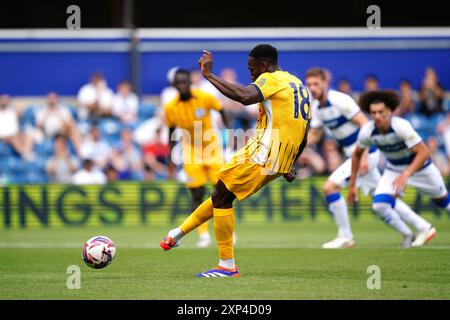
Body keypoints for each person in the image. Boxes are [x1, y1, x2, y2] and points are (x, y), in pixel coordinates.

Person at [160, 44, 310, 277]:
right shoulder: (298, 84)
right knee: (221, 193)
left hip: (264, 152)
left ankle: (226, 265)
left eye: (252, 69)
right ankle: (177, 234)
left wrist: (209, 75)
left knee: (221, 197)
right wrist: (291, 161)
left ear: (264, 65)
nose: (251, 74)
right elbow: (304, 128)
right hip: (277, 154)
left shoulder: (271, 78)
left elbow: (244, 97)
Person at [305, 67, 425, 249]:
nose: (312, 88)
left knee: (330, 187)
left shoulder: (339, 100)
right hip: (353, 155)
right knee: (382, 197)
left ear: (325, 83)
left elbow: (364, 123)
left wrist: (364, 157)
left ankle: (345, 236)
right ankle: (418, 229)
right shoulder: (316, 107)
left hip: (365, 153)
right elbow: (315, 134)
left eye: (316, 84)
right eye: (310, 84)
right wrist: (297, 148)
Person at [349, 90, 441, 248]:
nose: (377, 116)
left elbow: (424, 152)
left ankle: (424, 228)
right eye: (373, 113)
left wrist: (406, 174)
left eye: (381, 112)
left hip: (420, 167)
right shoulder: (368, 131)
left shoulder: (401, 126)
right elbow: (357, 154)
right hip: (394, 169)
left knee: (444, 201)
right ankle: (414, 232)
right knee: (379, 205)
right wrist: (352, 185)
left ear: (390, 111)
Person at [163, 68, 228, 248]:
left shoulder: (204, 97)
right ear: (175, 86)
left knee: (222, 193)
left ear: (190, 83)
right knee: (197, 195)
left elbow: (222, 110)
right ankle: (204, 235)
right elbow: (170, 131)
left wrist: (228, 135)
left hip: (212, 149)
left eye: (184, 82)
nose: (182, 86)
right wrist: (169, 156)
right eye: (178, 83)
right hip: (190, 151)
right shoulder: (171, 107)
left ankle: (227, 230)